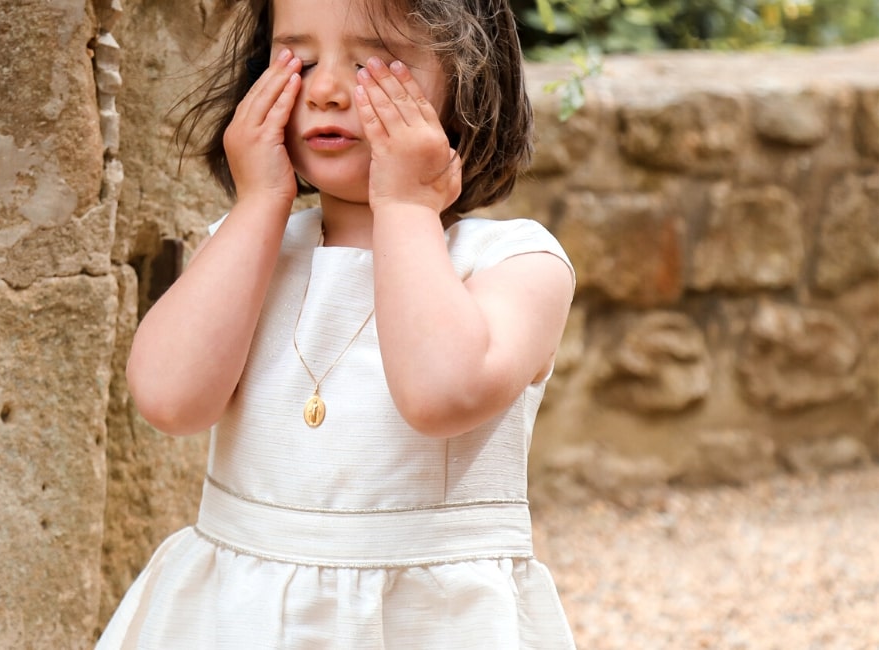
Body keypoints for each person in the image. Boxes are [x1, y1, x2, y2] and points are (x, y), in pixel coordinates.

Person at [99, 0, 575, 646]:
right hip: (239, 619)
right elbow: (168, 399)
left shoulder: (514, 264)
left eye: (373, 62)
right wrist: (260, 202)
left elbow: (440, 394)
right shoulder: (249, 250)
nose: (324, 90)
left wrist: (406, 205)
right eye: (298, 59)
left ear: (470, 80)